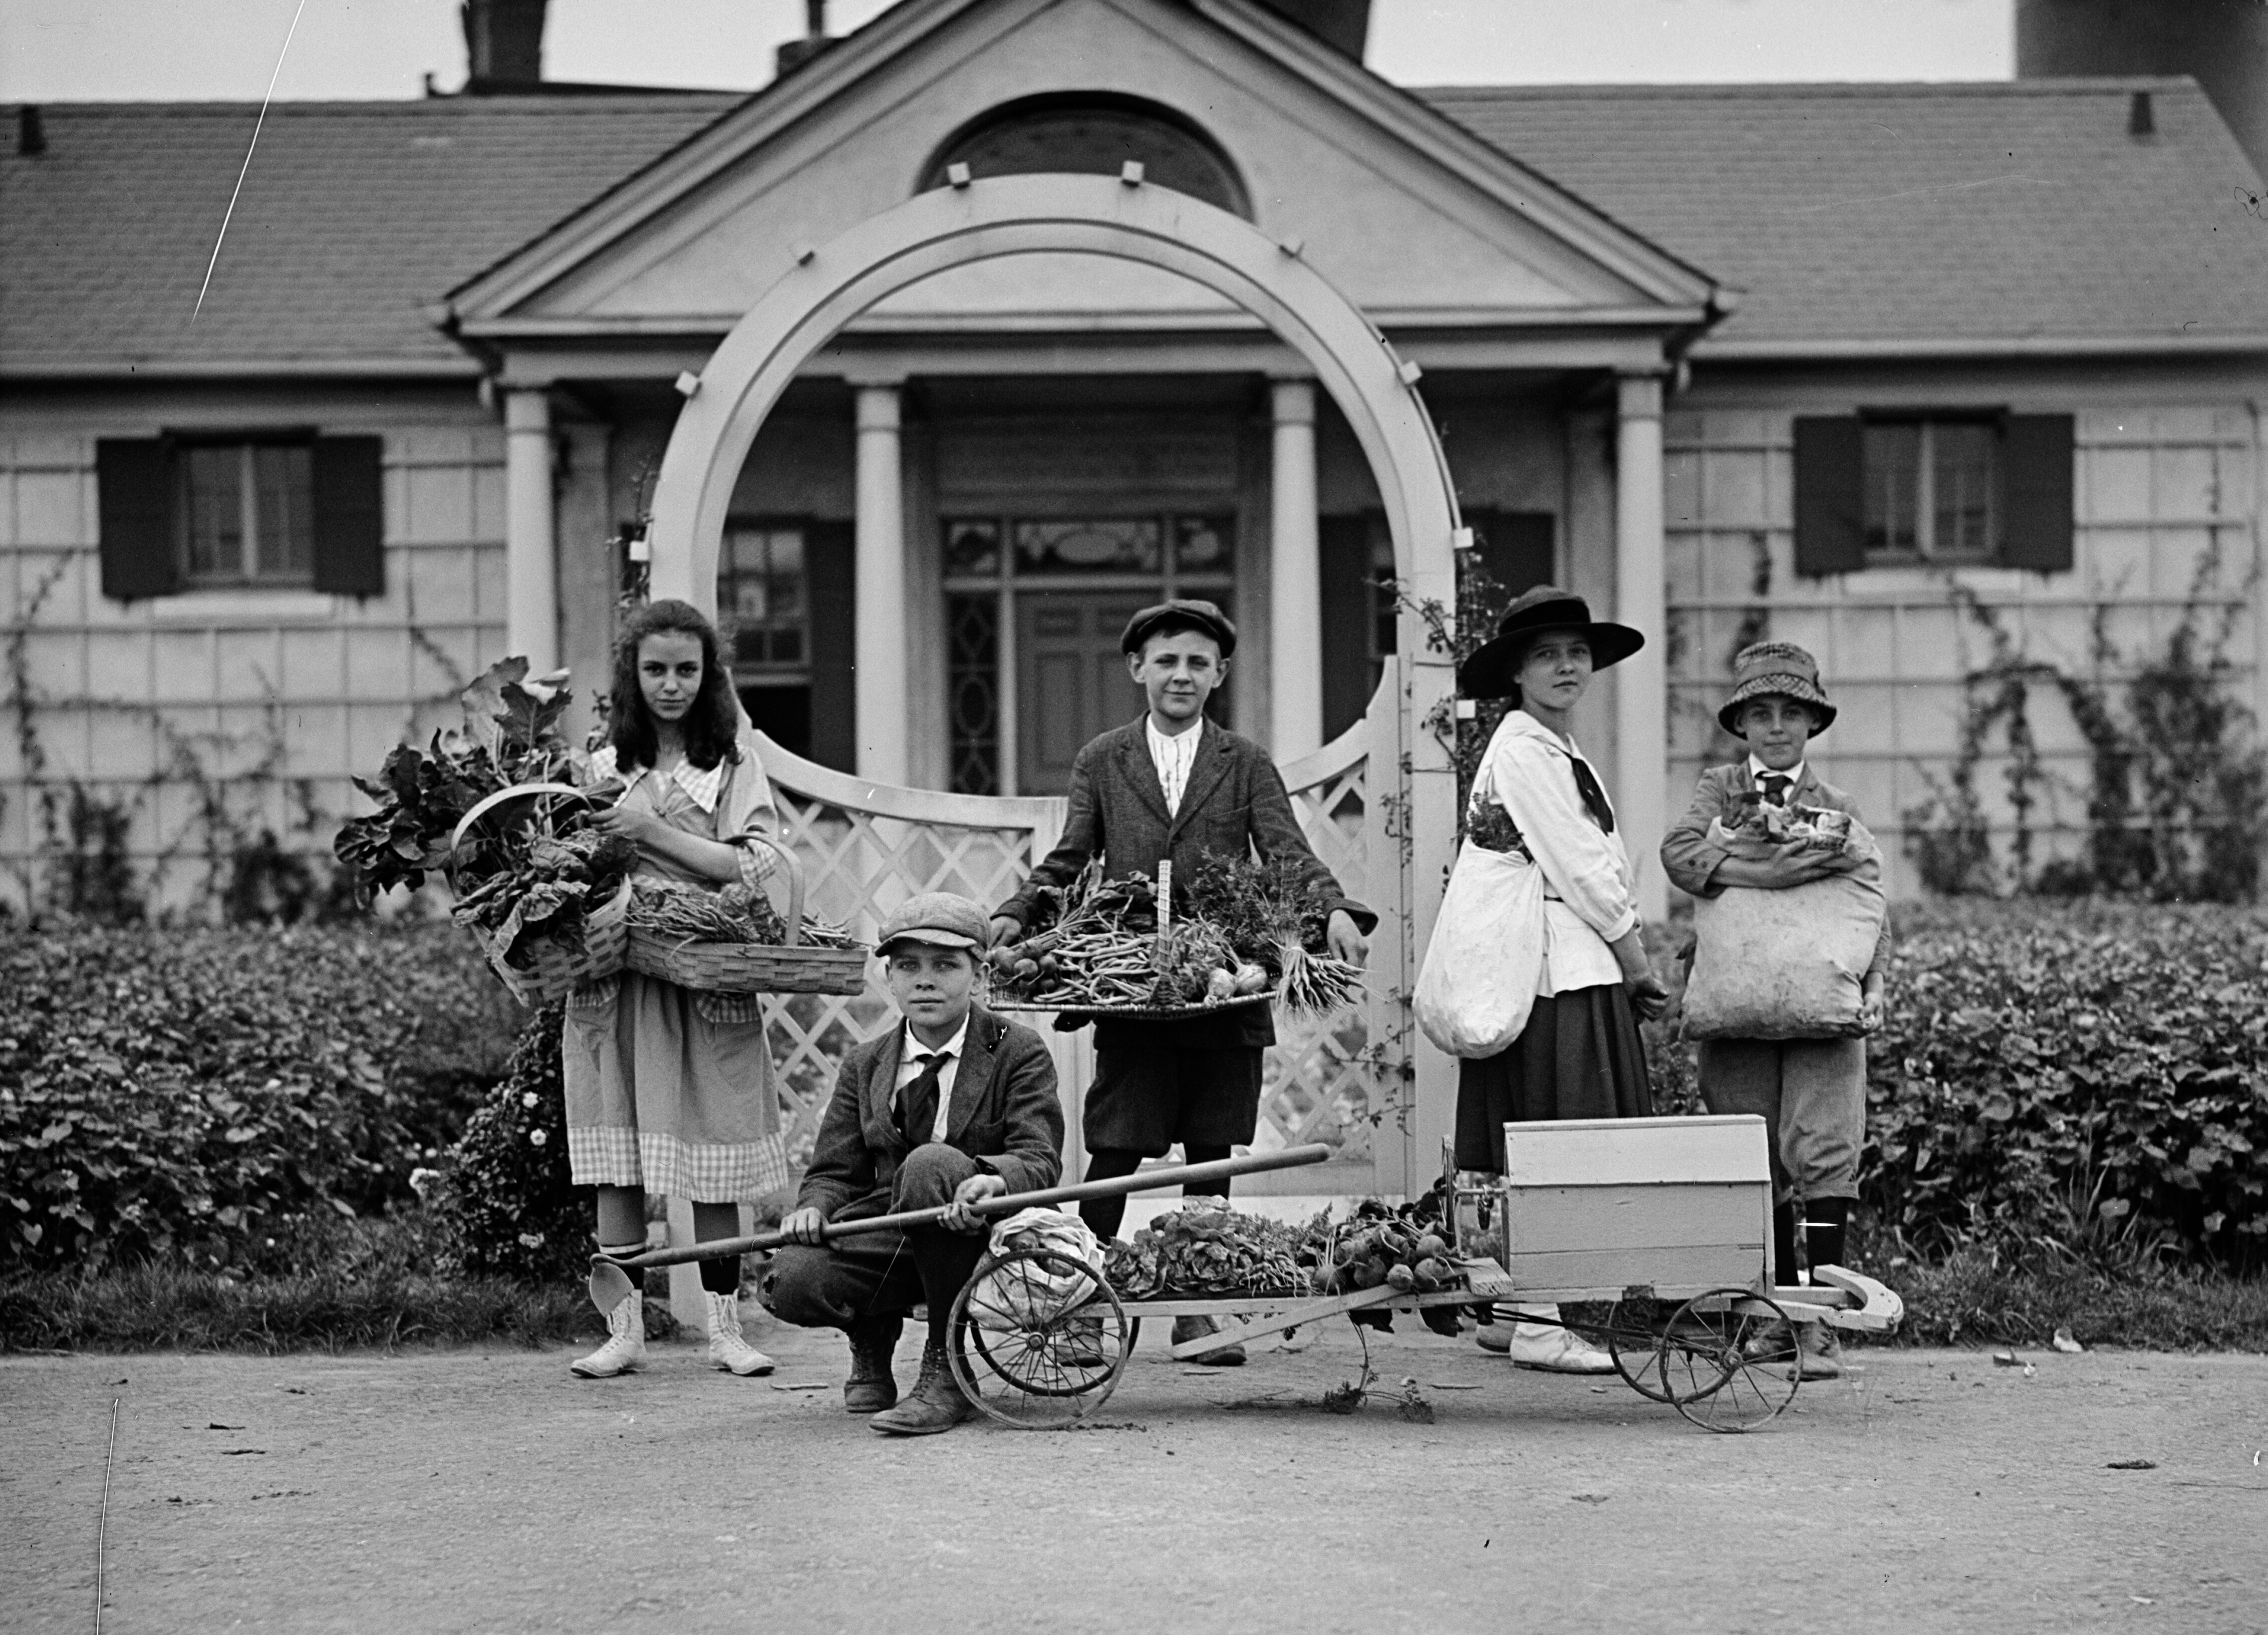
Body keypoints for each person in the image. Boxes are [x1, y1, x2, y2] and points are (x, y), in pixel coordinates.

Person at [988, 599, 1374, 1367]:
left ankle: (1198, 1315)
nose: (1181, 675)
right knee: (1118, 1141)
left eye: (1198, 662)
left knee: (1212, 1144)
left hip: (1225, 980)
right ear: (1138, 669)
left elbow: (1288, 852)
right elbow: (1071, 856)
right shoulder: (1104, 758)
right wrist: (1016, 912)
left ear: (1220, 674)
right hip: (1137, 983)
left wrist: (1331, 911)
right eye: (1167, 660)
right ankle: (1080, 1302)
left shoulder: (1245, 761)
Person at [564, 598, 789, 1382]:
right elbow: (573, 867)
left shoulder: (730, 762)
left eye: (686, 670)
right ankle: (625, 1333)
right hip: (620, 982)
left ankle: (726, 1329)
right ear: (632, 674)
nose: (670, 684)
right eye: (654, 669)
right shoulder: (600, 767)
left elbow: (754, 864)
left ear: (709, 674)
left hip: (704, 976)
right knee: (617, 1154)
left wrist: (655, 835)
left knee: (714, 1152)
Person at [1451, 585, 1669, 1373]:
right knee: (1562, 1140)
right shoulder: (1524, 752)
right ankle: (1547, 1322)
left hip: (1554, 967)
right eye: (1547, 655)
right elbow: (1584, 871)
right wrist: (1636, 960)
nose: (1567, 666)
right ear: (1517, 671)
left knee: (1531, 1131)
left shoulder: (1553, 748)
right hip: (1556, 973)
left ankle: (1519, 1306)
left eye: (1577, 653)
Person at [1659, 641, 1890, 1379]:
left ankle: (1820, 1327)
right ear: (1742, 724)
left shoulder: (1840, 809)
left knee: (1823, 1151)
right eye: (1761, 713)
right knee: (1752, 1154)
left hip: (1822, 1006)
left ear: (1813, 723)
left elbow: (1871, 906)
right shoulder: (1718, 788)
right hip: (1736, 1001)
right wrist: (1763, 866)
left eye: (1792, 712)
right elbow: (1677, 853)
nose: (1777, 727)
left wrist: (1876, 986)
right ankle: (1767, 1320)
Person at [761, 893, 1064, 1436]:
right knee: (792, 1280)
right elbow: (836, 1170)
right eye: (908, 966)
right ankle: (872, 1341)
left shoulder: (1016, 1049)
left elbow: (1038, 1157)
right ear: (891, 980)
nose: (925, 981)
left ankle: (946, 1369)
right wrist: (814, 1209)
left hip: (978, 1232)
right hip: (893, 1231)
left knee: (929, 1165)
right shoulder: (866, 1062)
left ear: (979, 975)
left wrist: (993, 1181)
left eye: (946, 965)